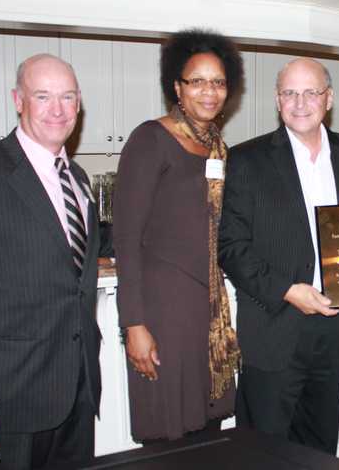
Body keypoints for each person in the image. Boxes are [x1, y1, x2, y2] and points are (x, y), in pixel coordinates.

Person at [218, 57, 339, 454]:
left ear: (329, 98)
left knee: (320, 447)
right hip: (274, 327)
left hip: (334, 330)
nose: (300, 102)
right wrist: (289, 290)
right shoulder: (246, 159)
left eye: (311, 92)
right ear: (277, 99)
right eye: (290, 93)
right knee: (264, 450)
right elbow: (232, 249)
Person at [0, 53, 101, 469]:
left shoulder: (77, 179)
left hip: (77, 390)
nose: (58, 110)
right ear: (18, 100)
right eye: (43, 96)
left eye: (67, 97)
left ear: (79, 104)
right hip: (10, 398)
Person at [112, 29, 243, 442]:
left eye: (218, 82)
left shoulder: (218, 148)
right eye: (197, 81)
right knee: (169, 433)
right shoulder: (151, 139)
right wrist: (133, 323)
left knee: (208, 429)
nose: (209, 92)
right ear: (177, 86)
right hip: (164, 311)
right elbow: (126, 239)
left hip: (207, 309)